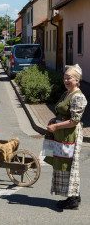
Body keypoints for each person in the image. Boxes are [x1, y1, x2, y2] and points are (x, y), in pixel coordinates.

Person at [45, 64, 87, 210]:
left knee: (69, 166)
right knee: (63, 165)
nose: (66, 80)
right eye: (64, 78)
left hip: (71, 134)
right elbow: (61, 111)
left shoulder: (79, 96)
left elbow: (74, 120)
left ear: (76, 80)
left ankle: (73, 199)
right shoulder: (66, 93)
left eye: (69, 78)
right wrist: (53, 119)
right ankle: (73, 196)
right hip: (62, 135)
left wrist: (56, 126)